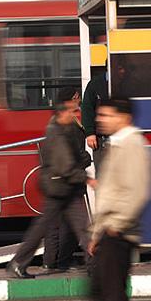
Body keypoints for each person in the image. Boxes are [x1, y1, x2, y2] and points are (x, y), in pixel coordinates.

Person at [88, 98, 151, 301]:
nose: (100, 119)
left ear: (124, 117)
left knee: (112, 298)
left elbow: (138, 192)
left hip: (119, 232)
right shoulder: (117, 145)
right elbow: (109, 193)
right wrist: (96, 232)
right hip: (108, 230)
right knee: (101, 293)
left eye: (106, 115)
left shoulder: (134, 145)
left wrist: (116, 226)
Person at [7, 90, 92, 279]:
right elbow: (67, 165)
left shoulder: (62, 129)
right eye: (71, 111)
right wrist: (87, 177)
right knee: (54, 226)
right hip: (61, 187)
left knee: (78, 226)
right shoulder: (58, 134)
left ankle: (94, 263)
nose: (74, 114)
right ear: (62, 113)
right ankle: (19, 262)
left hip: (63, 187)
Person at [43, 88, 90, 271]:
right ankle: (60, 261)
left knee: (53, 224)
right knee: (69, 225)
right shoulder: (66, 124)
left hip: (58, 180)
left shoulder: (58, 122)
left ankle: (51, 261)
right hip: (67, 180)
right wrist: (85, 158)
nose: (78, 101)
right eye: (76, 97)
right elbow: (71, 154)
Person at [81, 69, 109, 172]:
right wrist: (90, 133)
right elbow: (87, 108)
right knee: (102, 173)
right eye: (119, 68)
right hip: (101, 138)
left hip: (119, 136)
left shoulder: (126, 82)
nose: (122, 71)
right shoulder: (95, 84)